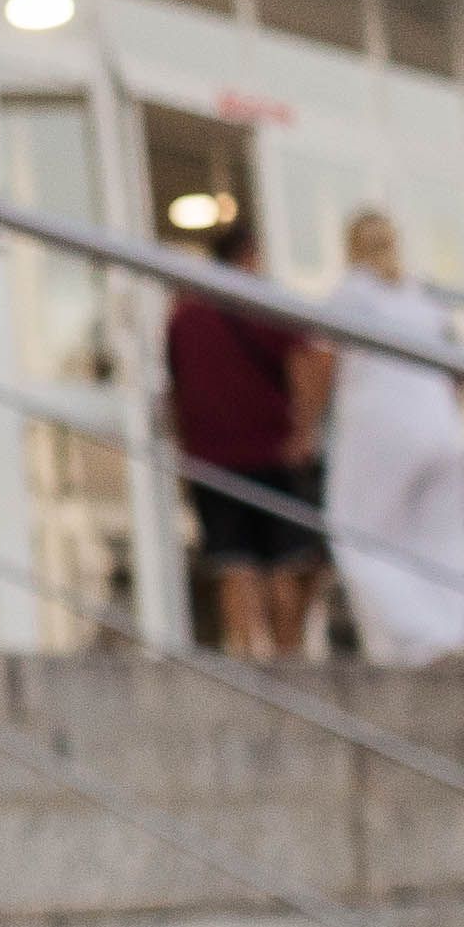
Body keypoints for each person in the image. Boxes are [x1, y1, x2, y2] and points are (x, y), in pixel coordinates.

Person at [163, 206, 326, 660]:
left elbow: (177, 389)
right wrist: (304, 432)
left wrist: (184, 446)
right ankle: (288, 660)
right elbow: (309, 365)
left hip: (212, 456)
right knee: (283, 563)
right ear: (251, 255)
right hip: (270, 451)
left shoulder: (185, 316)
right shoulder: (265, 307)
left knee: (233, 560)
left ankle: (246, 656)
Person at [323, 209, 464, 668]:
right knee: (438, 538)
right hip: (441, 426)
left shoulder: (353, 292)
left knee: (357, 531)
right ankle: (444, 636)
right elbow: (460, 372)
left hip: (380, 425)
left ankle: (407, 635)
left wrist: (303, 427)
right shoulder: (423, 296)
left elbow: (322, 360)